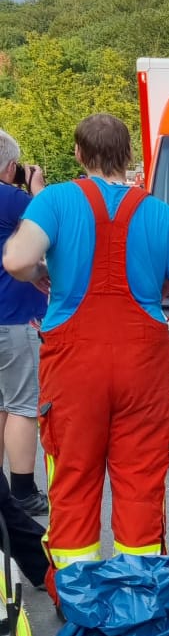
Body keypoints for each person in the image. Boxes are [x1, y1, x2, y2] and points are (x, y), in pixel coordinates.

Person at [2, 113, 169, 598]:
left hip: (74, 363)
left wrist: (38, 268)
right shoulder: (160, 212)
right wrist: (163, 277)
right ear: (127, 155)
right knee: (140, 476)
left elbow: (15, 260)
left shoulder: (56, 200)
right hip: (144, 363)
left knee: (74, 475)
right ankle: (138, 595)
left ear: (79, 154)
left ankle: (77, 600)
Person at [0, 131, 49, 517]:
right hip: (13, 315)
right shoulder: (15, 201)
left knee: (1, 403)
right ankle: (22, 492)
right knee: (22, 406)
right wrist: (36, 188)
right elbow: (48, 231)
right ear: (11, 166)